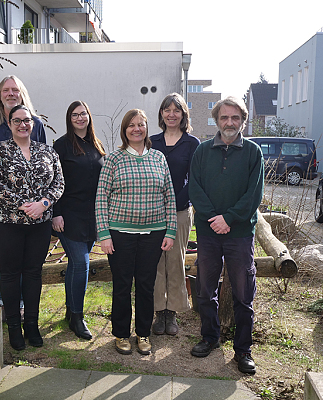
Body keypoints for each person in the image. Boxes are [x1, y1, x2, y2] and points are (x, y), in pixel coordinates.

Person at [188, 96, 264, 374]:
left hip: (240, 234)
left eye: (235, 118)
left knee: (244, 294)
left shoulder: (253, 152)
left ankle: (243, 350)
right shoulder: (203, 151)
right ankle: (210, 338)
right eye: (224, 117)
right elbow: (195, 189)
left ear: (242, 121)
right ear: (217, 120)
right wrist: (214, 219)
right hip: (208, 233)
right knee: (206, 290)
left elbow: (254, 194)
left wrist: (229, 218)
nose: (229, 122)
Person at [95, 109, 177, 356]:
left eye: (141, 124)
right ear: (125, 129)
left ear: (146, 128)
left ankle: (143, 334)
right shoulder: (113, 159)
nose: (136, 129)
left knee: (145, 285)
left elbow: (169, 196)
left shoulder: (159, 158)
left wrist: (170, 231)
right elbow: (101, 198)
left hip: (153, 234)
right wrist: (104, 234)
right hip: (120, 234)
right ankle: (121, 334)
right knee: (121, 285)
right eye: (131, 125)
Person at [0, 105, 64, 351]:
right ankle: (13, 328)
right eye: (17, 121)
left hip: (39, 224)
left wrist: (43, 204)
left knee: (32, 273)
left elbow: (59, 182)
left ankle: (31, 324)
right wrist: (23, 206)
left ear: (33, 124)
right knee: (10, 273)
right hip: (7, 222)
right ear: (9, 124)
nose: (22, 125)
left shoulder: (47, 151)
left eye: (27, 120)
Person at [0, 76, 46, 318]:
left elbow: (46, 166)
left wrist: (42, 203)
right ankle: (6, 302)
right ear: (0, 95)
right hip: (1, 208)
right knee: (1, 259)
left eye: (15, 89)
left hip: (34, 209)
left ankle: (24, 305)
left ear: (22, 93)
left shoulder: (36, 123)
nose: (10, 93)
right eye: (6, 90)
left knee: (29, 261)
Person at [52, 101, 105, 341]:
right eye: (75, 114)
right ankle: (77, 316)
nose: (80, 118)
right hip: (68, 214)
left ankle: (69, 312)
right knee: (82, 264)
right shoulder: (61, 146)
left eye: (83, 113)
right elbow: (53, 182)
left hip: (91, 216)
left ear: (89, 116)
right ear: (69, 118)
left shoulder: (96, 144)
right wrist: (56, 213)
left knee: (75, 266)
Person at [150, 93, 200, 336]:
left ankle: (173, 313)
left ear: (183, 115)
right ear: (161, 114)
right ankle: (159, 312)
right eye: (167, 110)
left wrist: (176, 201)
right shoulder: (152, 142)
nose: (171, 114)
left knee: (176, 261)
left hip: (180, 210)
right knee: (157, 262)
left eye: (176, 110)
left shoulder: (192, 144)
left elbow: (195, 179)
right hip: (152, 212)